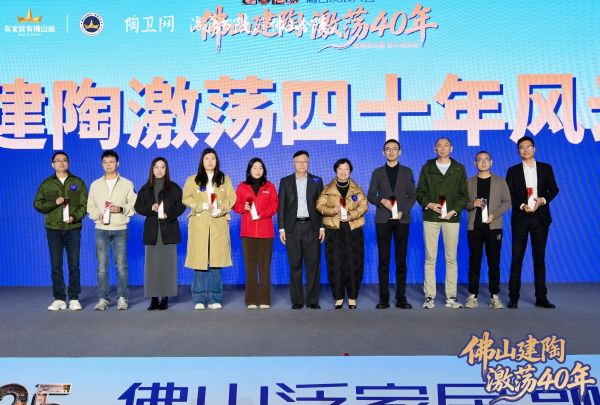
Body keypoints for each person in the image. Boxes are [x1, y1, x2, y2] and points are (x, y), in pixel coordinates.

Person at [506, 136, 559, 309]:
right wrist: (522, 205)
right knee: (517, 258)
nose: (525, 150)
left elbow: (554, 189)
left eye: (528, 146)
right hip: (520, 218)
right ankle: (513, 297)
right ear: (518, 151)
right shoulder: (513, 171)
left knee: (539, 259)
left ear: (534, 149)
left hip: (540, 218)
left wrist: (542, 200)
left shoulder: (546, 168)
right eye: (521, 147)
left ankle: (541, 297)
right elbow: (509, 195)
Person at [416, 137, 468, 309]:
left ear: (451, 148)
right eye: (439, 145)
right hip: (431, 218)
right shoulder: (427, 168)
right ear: (435, 149)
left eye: (446, 145)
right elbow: (419, 193)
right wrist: (429, 204)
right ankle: (429, 296)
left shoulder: (459, 168)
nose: (443, 148)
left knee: (451, 258)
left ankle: (451, 297)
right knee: (430, 257)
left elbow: (464, 195)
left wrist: (454, 211)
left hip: (451, 219)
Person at [182, 148, 236, 310]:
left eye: (213, 158)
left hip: (218, 223)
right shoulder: (193, 179)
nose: (210, 161)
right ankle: (199, 298)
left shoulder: (224, 179)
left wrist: (222, 209)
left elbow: (231, 198)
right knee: (200, 262)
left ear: (217, 161)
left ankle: (215, 298)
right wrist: (202, 205)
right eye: (207, 158)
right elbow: (186, 198)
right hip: (199, 224)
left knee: (216, 262)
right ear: (202, 161)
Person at [34, 151, 88, 311]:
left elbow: (84, 205)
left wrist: (74, 217)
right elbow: (38, 204)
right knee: (56, 265)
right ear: (53, 164)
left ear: (68, 163)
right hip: (54, 229)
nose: (61, 163)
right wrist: (54, 202)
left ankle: (74, 298)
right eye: (57, 161)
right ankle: (59, 298)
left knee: (74, 265)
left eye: (64, 160)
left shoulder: (77, 182)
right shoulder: (46, 184)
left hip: (73, 229)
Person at [367, 139, 417, 310]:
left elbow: (413, 195)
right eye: (387, 149)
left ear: (399, 152)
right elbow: (371, 195)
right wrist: (382, 200)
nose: (391, 152)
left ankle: (401, 297)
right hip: (383, 220)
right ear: (383, 153)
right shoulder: (377, 172)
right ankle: (384, 298)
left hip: (402, 220)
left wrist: (403, 210)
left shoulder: (407, 171)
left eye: (394, 149)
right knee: (384, 260)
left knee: (401, 260)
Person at [87, 150, 137, 311]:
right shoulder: (95, 184)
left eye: (111, 161)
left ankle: (122, 298)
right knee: (102, 266)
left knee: (121, 265)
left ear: (118, 163)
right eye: (105, 162)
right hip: (101, 229)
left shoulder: (127, 184)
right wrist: (97, 215)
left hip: (120, 228)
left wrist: (121, 209)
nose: (108, 165)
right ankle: (103, 299)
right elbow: (90, 206)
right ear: (102, 164)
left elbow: (134, 204)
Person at [134, 157, 186, 310]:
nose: (159, 170)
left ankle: (165, 297)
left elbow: (182, 205)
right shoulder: (146, 188)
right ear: (152, 169)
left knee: (168, 265)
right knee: (152, 266)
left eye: (162, 167)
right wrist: (150, 208)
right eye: (156, 167)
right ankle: (154, 298)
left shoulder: (173, 187)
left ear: (166, 169)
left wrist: (169, 214)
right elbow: (138, 206)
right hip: (152, 231)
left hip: (168, 230)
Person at [317, 158, 368, 309]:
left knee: (354, 262)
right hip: (334, 230)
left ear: (350, 171)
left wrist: (352, 215)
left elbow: (364, 205)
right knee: (335, 263)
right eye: (340, 168)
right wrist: (332, 210)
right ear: (336, 171)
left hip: (353, 229)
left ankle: (352, 297)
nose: (343, 172)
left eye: (346, 169)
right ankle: (338, 297)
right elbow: (319, 206)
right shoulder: (327, 189)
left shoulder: (357, 189)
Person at [277, 150, 325, 309]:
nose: (302, 164)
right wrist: (281, 229)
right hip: (292, 228)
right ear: (293, 163)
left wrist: (322, 227)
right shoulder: (285, 181)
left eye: (305, 161)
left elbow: (322, 206)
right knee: (295, 265)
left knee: (313, 265)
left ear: (308, 163)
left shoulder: (317, 181)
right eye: (298, 162)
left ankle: (313, 300)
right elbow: (281, 207)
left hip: (312, 227)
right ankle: (297, 300)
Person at [464, 151, 511, 309]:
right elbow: (463, 203)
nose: (483, 162)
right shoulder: (469, 182)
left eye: (486, 160)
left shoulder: (500, 181)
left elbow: (507, 202)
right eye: (479, 160)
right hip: (474, 228)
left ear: (491, 162)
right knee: (474, 263)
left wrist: (494, 215)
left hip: (493, 228)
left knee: (494, 263)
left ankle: (494, 297)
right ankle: (472, 296)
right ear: (475, 163)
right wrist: (472, 204)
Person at [233, 158, 279, 309]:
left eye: (260, 167)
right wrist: (243, 207)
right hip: (248, 233)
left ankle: (265, 300)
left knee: (265, 267)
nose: (258, 170)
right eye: (255, 167)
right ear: (249, 170)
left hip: (266, 233)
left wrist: (261, 214)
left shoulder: (270, 186)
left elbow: (274, 206)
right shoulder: (242, 186)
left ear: (264, 170)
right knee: (250, 267)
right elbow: (235, 205)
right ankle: (251, 300)